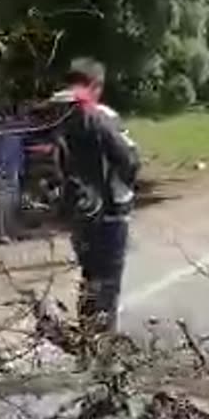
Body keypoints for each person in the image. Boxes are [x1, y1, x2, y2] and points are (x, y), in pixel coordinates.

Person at [52, 58, 140, 334]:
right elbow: (128, 159)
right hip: (109, 211)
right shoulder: (100, 115)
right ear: (96, 85)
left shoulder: (54, 115)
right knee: (107, 282)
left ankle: (88, 338)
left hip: (78, 211)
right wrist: (125, 190)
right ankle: (102, 347)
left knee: (90, 277)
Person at [0, 107, 27, 244]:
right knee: (0, 204)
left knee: (13, 203)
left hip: (13, 171)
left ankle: (12, 232)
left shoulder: (16, 133)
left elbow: (19, 153)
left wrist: (20, 169)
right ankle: (1, 233)